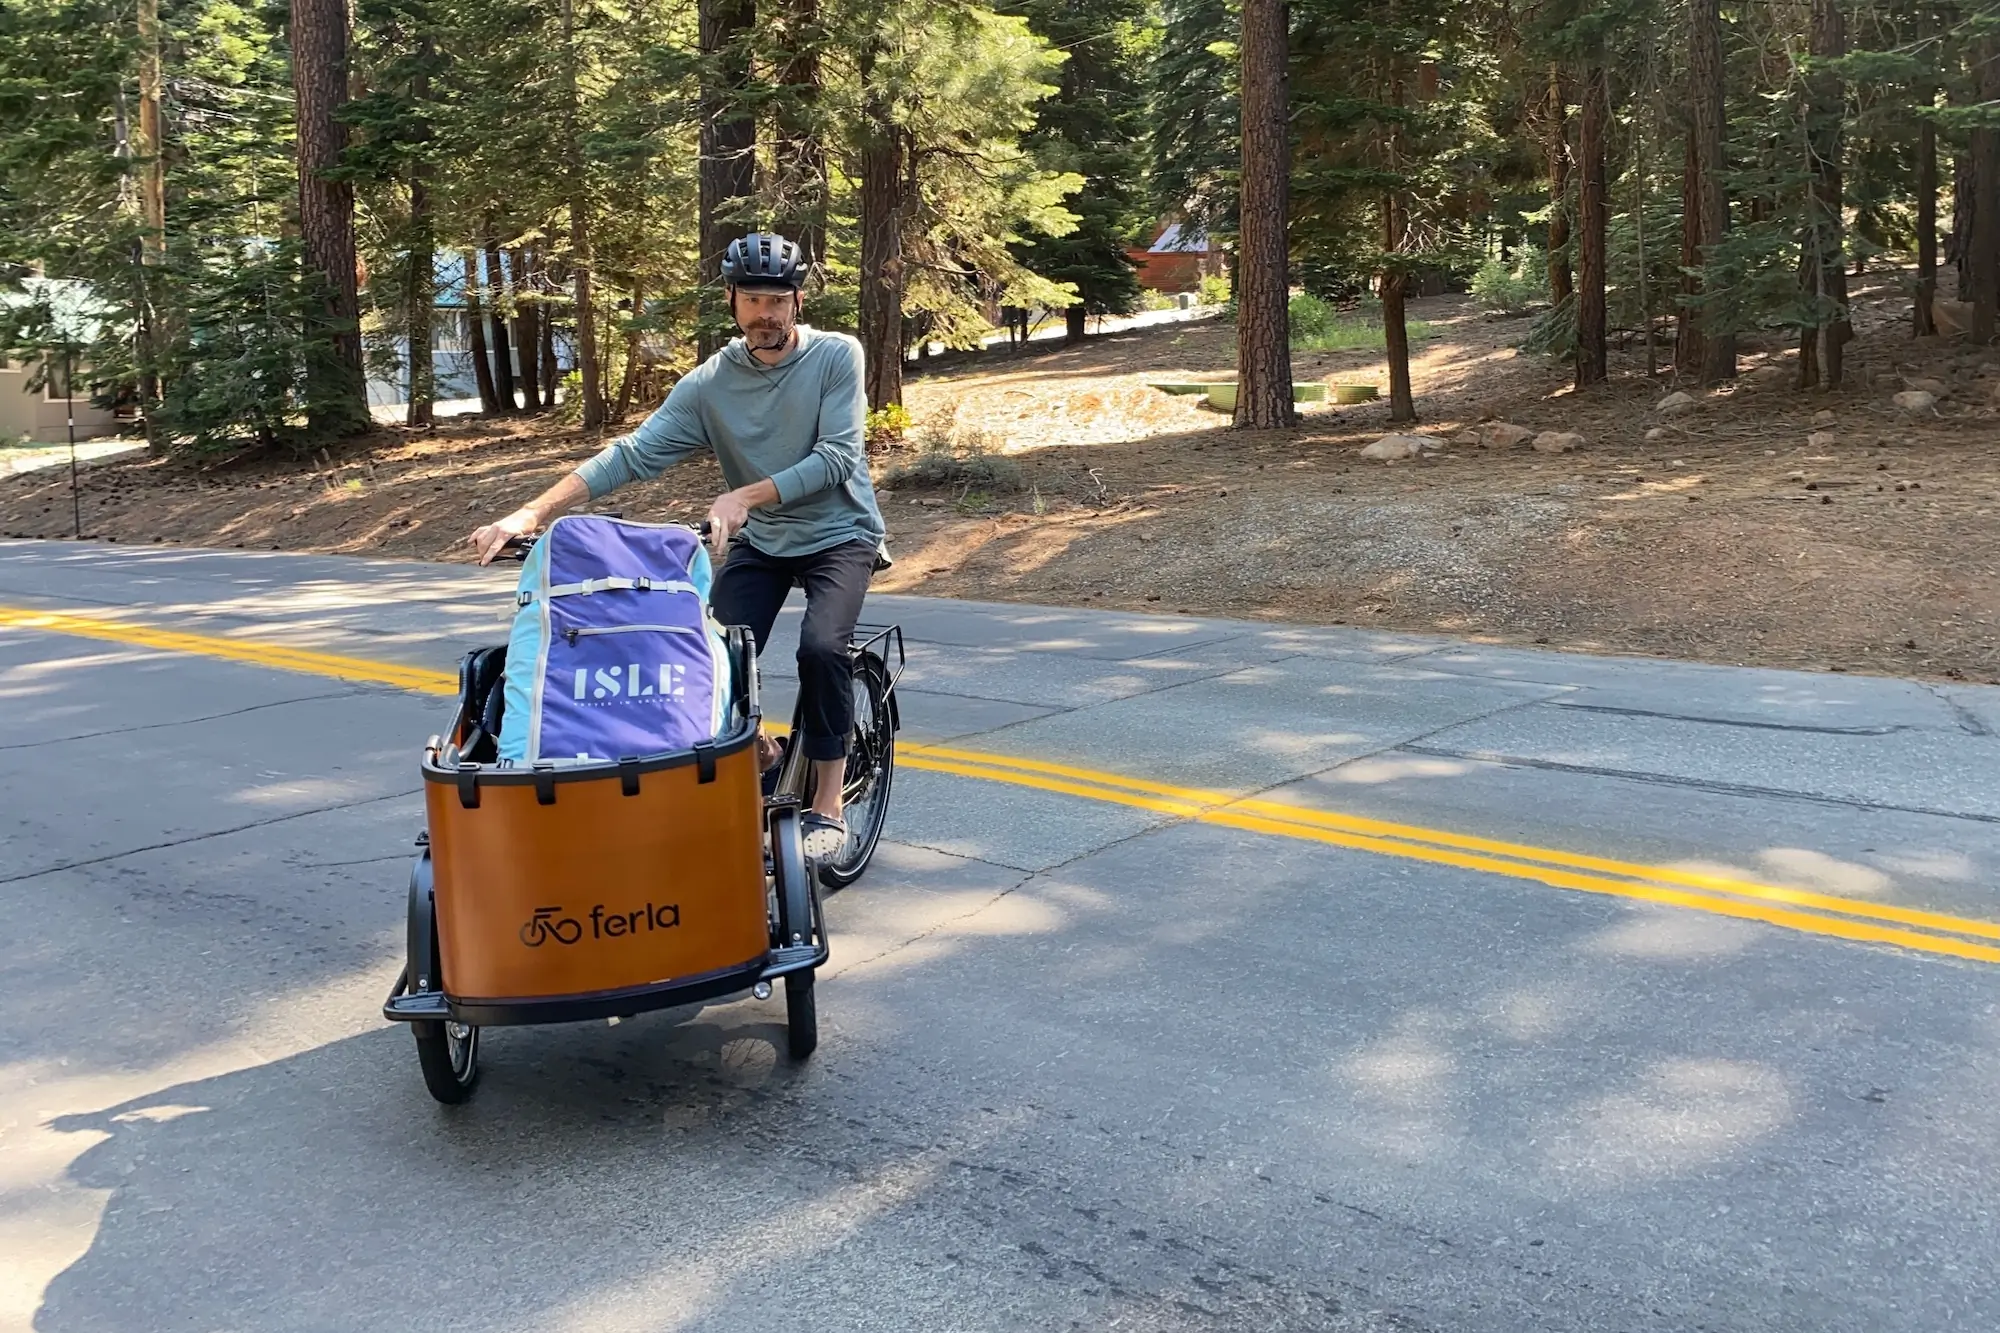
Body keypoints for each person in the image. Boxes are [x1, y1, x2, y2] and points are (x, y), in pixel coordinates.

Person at [468, 231, 886, 859]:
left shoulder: (835, 357)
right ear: (732, 300)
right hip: (765, 543)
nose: (765, 314)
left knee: (822, 648)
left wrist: (742, 497)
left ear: (798, 301)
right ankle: (761, 749)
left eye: (778, 300)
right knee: (705, 653)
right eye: (752, 299)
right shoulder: (712, 382)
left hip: (840, 534)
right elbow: (633, 455)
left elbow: (836, 458)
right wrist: (532, 511)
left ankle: (828, 803)